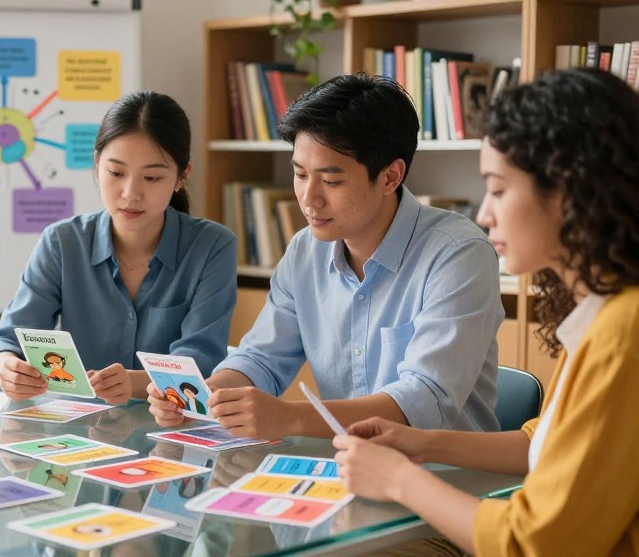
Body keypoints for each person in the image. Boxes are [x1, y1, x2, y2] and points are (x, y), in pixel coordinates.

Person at [333, 68, 639, 555]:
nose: (484, 214)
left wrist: (398, 480)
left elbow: (533, 542)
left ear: (568, 189)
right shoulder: (603, 314)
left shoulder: (623, 332)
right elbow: (539, 445)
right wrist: (420, 444)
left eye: (497, 189)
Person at [149, 73, 504, 439]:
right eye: (300, 174)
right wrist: (203, 395)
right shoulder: (306, 250)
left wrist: (290, 417)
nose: (308, 198)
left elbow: (424, 400)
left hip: (448, 477)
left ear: (390, 177)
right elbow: (261, 359)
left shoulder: (458, 254)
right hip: (348, 470)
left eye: (331, 181)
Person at [0, 90, 237, 404]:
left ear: (182, 176)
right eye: (115, 173)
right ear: (97, 164)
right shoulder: (62, 242)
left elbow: (202, 358)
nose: (130, 194)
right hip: (77, 431)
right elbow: (6, 339)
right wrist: (5, 367)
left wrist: (137, 383)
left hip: (170, 428)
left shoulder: (212, 247)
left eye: (152, 177)